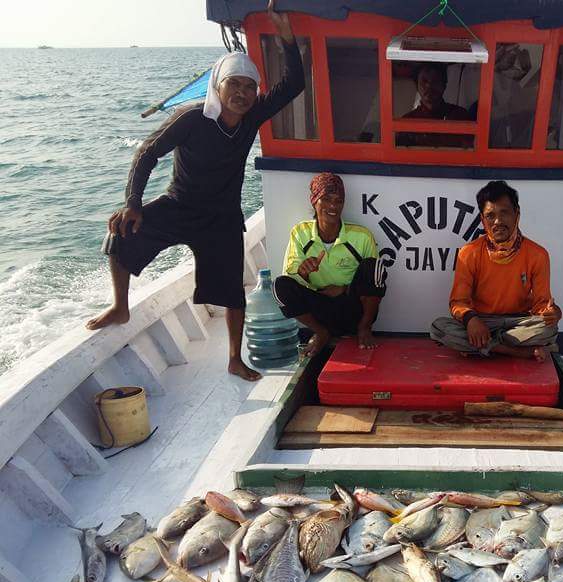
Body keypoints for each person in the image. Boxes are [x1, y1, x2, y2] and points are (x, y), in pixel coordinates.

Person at [85, 0, 304, 382]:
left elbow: (294, 85)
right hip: (180, 204)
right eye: (233, 84)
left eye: (249, 86)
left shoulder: (251, 117)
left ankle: (235, 358)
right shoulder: (190, 118)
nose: (241, 92)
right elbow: (147, 152)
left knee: (235, 291)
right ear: (218, 87)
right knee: (120, 233)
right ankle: (120, 305)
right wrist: (133, 204)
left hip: (220, 217)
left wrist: (287, 40)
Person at [430, 180, 561, 362]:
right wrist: (471, 321)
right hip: (481, 321)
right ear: (483, 220)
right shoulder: (469, 252)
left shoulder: (537, 254)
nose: (497, 221)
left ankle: (484, 347)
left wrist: (553, 313)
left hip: (518, 323)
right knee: (439, 327)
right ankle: (518, 352)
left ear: (517, 214)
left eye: (504, 213)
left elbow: (542, 305)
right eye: (490, 216)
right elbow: (458, 302)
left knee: (549, 329)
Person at [274, 173, 386, 356]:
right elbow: (290, 276)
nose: (333, 206)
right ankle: (321, 333)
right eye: (326, 199)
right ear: (314, 201)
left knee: (374, 267)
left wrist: (343, 289)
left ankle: (364, 329)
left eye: (338, 200)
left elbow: (374, 279)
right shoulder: (300, 233)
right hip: (320, 310)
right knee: (279, 286)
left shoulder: (361, 235)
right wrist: (302, 272)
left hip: (353, 309)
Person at [397, 63, 473, 148]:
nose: (429, 86)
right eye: (424, 81)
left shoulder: (461, 116)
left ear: (444, 85)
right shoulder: (407, 122)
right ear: (417, 86)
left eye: (435, 81)